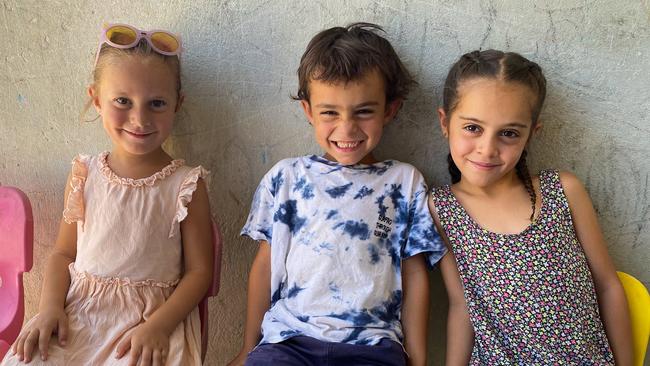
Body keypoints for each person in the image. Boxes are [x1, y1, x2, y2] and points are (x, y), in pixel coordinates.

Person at [227, 23, 446, 366]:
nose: (347, 129)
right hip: (288, 342)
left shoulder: (403, 182)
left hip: (373, 347)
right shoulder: (286, 178)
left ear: (390, 109)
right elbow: (265, 265)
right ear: (308, 111)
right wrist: (248, 347)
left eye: (363, 111)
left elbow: (415, 275)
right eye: (330, 112)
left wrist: (417, 359)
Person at [2, 23, 213, 366]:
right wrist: (50, 308)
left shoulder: (186, 184)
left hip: (151, 322)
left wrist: (158, 326)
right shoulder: (85, 173)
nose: (139, 118)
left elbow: (199, 272)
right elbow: (61, 253)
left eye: (157, 103)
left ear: (178, 104)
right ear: (97, 100)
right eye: (122, 101)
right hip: (80, 316)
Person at [432, 49, 633, 365]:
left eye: (509, 133)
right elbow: (462, 307)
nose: (487, 149)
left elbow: (608, 286)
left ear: (531, 134)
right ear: (445, 123)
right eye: (472, 128)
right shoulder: (441, 210)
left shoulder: (564, 191)